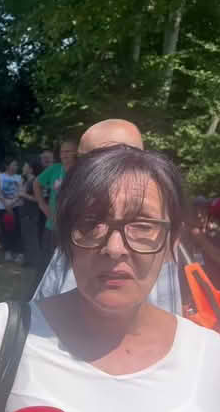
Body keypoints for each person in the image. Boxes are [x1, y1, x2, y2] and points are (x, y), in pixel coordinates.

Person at [0, 145, 220, 412]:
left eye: (142, 225)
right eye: (91, 223)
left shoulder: (216, 360)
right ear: (66, 238)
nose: (114, 248)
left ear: (172, 241)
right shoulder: (6, 334)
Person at [31, 119, 182, 314]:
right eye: (83, 159)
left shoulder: (158, 228)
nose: (114, 249)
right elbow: (46, 300)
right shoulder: (76, 221)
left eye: (141, 225)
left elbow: (166, 306)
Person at [33, 138, 78, 276]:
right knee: (46, 264)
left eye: (68, 151)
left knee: (69, 266)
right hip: (52, 225)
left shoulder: (81, 170)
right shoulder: (55, 169)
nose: (64, 155)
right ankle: (41, 288)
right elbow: (36, 183)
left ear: (76, 152)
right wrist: (42, 204)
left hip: (73, 227)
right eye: (62, 152)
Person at [0, 158, 24, 263]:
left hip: (16, 206)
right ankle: (7, 250)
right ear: (7, 166)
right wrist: (6, 204)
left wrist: (11, 203)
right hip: (2, 207)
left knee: (17, 229)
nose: (16, 167)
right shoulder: (0, 176)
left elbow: (20, 192)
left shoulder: (19, 177)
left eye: (16, 165)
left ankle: (18, 251)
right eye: (14, 164)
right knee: (5, 229)